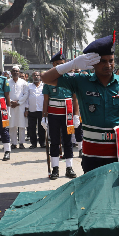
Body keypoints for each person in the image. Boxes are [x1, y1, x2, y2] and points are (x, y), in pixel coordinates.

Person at [41, 34, 119, 173]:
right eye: (103, 61)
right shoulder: (81, 81)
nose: (108, 65)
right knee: (93, 192)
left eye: (111, 61)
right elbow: (45, 78)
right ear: (93, 63)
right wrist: (71, 64)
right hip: (92, 152)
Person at [42, 50, 79, 179]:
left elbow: (75, 99)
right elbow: (46, 100)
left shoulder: (71, 79)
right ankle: (55, 169)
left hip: (67, 113)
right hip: (53, 114)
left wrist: (76, 115)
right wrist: (44, 117)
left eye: (62, 63)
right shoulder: (48, 80)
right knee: (54, 142)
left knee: (68, 141)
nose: (59, 66)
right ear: (53, 65)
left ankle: (69, 167)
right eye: (57, 64)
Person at [8, 65, 29, 149]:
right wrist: (10, 102)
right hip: (11, 106)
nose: (15, 72)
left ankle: (21, 143)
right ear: (11, 72)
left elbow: (26, 94)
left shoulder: (23, 82)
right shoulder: (7, 82)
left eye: (17, 71)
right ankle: (13, 143)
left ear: (19, 72)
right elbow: (5, 93)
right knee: (12, 125)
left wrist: (18, 102)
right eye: (14, 71)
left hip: (21, 106)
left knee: (22, 125)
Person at [26, 71, 46, 149]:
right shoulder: (29, 86)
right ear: (32, 77)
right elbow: (27, 98)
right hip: (32, 110)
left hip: (41, 110)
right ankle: (33, 143)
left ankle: (42, 143)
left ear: (40, 76)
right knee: (32, 128)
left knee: (42, 127)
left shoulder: (44, 86)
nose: (36, 77)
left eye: (37, 75)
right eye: (34, 75)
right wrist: (26, 109)